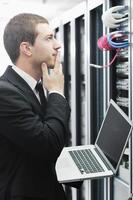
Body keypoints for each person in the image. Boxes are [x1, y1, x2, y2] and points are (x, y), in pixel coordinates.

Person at [0, 13, 71, 200]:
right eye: (49, 38)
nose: (57, 45)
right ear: (26, 48)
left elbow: (56, 135)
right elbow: (48, 144)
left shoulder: (34, 87)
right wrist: (56, 92)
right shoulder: (4, 93)